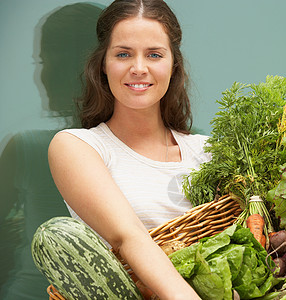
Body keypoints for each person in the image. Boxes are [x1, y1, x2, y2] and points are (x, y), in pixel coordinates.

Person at [48, 0, 209, 299]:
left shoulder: (206, 151)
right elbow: (127, 237)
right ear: (103, 65)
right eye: (123, 54)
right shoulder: (78, 146)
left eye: (154, 55)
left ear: (173, 65)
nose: (138, 68)